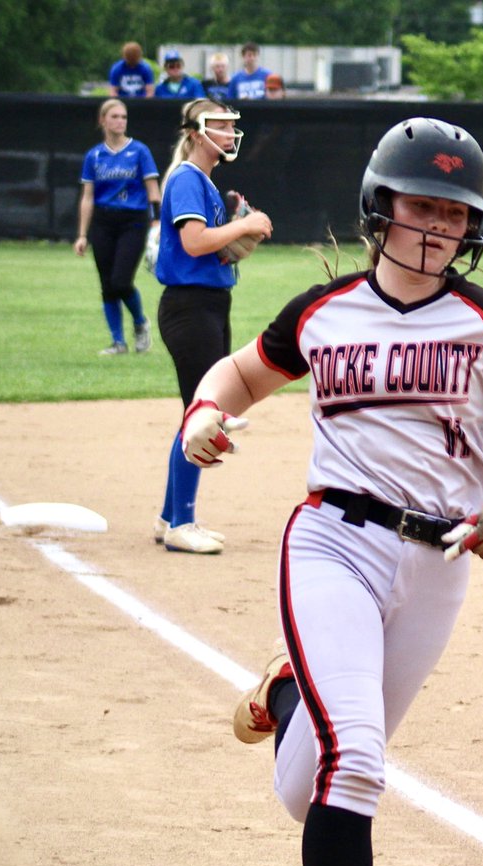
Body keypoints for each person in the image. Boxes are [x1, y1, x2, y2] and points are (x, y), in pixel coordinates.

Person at [183, 117, 483, 866]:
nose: (438, 225)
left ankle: (285, 691)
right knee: (355, 761)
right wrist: (203, 415)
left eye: (455, 211)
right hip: (333, 545)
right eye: (422, 205)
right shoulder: (323, 314)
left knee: (305, 789)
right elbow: (236, 376)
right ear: (381, 209)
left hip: (437, 568)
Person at [152, 98, 272, 554]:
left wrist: (238, 238)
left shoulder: (201, 181)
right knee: (200, 415)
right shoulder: (186, 178)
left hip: (206, 304)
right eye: (220, 125)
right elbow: (194, 241)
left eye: (230, 125)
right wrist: (250, 223)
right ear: (197, 133)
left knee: (196, 411)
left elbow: (210, 249)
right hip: (189, 307)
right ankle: (183, 524)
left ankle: (170, 517)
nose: (228, 132)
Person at [74, 99, 160, 357]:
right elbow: (87, 196)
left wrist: (155, 222)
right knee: (107, 284)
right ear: (103, 121)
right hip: (103, 222)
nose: (120, 121)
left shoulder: (139, 151)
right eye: (114, 116)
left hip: (132, 221)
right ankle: (118, 343)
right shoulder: (94, 156)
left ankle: (140, 322)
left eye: (123, 117)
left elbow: (153, 190)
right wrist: (81, 234)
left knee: (121, 281)